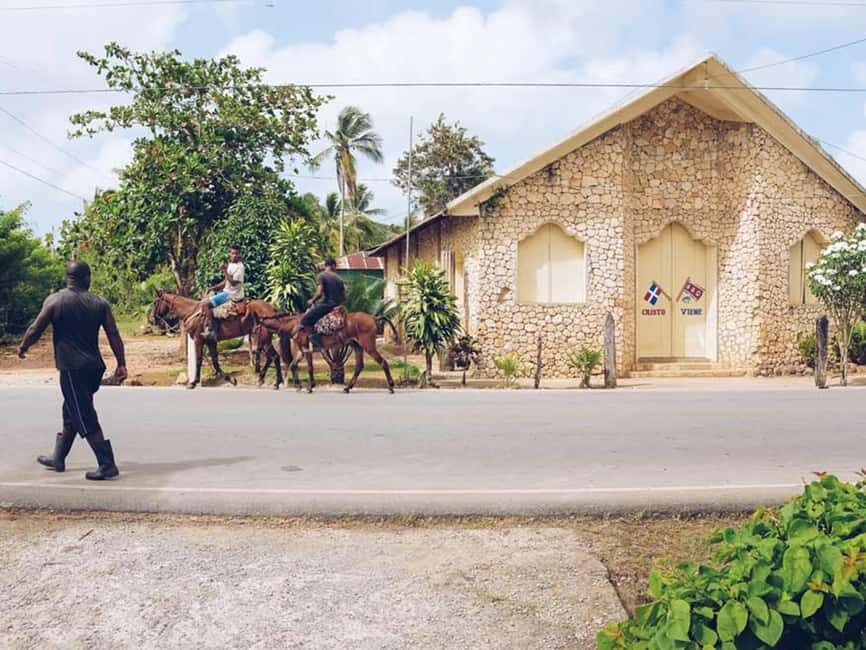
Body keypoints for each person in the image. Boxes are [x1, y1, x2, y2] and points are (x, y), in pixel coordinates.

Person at [17, 261, 127, 480]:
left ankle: (107, 464)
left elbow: (35, 328)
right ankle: (58, 457)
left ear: (68, 277)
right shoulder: (100, 303)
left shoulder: (55, 300)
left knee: (83, 414)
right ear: (86, 277)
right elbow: (113, 334)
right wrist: (121, 362)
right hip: (94, 368)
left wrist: (23, 347)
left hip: (71, 368)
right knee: (72, 410)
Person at [201, 245, 245, 339]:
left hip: (231, 295)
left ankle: (211, 329)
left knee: (205, 305)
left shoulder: (240, 267)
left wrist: (224, 270)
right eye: (232, 253)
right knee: (206, 299)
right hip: (226, 292)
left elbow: (233, 283)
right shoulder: (231, 264)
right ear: (229, 254)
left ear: (239, 255)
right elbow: (226, 281)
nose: (234, 255)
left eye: (236, 253)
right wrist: (213, 288)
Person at [301, 257, 346, 349]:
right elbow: (344, 297)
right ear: (333, 266)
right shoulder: (339, 279)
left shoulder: (322, 276)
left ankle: (316, 341)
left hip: (327, 305)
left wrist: (312, 300)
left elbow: (319, 293)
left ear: (326, 265)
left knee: (304, 320)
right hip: (337, 306)